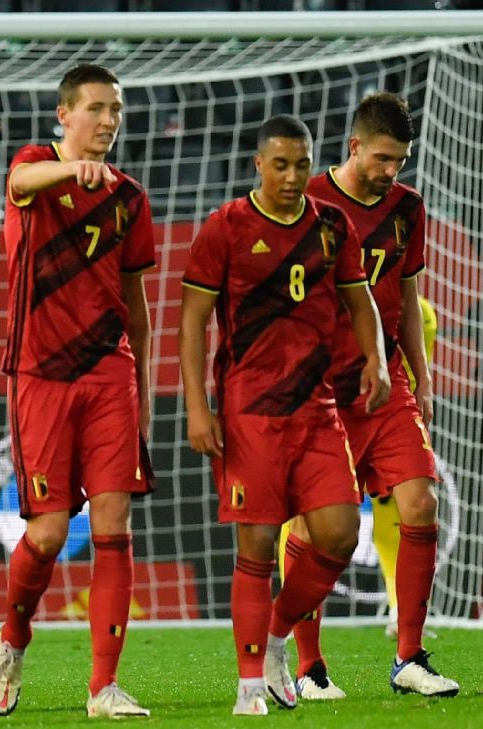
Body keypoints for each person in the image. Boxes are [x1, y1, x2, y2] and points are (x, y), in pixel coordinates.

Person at [179, 114, 392, 716]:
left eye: (302, 165)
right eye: (280, 165)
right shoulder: (225, 227)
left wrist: (375, 358)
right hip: (250, 412)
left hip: (317, 408)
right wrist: (197, 406)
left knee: (340, 534)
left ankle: (275, 636)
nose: (293, 176)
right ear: (258, 165)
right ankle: (250, 685)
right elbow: (193, 321)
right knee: (256, 544)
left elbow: (361, 301)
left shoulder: (332, 226)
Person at [0, 63, 154, 720]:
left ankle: (103, 687)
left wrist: (142, 389)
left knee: (114, 523)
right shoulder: (34, 168)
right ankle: (13, 637)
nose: (108, 121)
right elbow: (20, 182)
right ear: (64, 115)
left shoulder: (129, 197)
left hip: (110, 372)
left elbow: (137, 305)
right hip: (41, 373)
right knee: (50, 532)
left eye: (116, 110)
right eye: (96, 108)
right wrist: (70, 170)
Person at [277, 93, 458, 700]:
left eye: (399, 161)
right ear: (354, 147)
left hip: (385, 384)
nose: (390, 171)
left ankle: (410, 658)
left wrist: (422, 379)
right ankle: (308, 667)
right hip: (319, 391)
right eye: (381, 158)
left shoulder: (408, 208)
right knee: (319, 528)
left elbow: (406, 298)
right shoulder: (308, 203)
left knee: (420, 502)